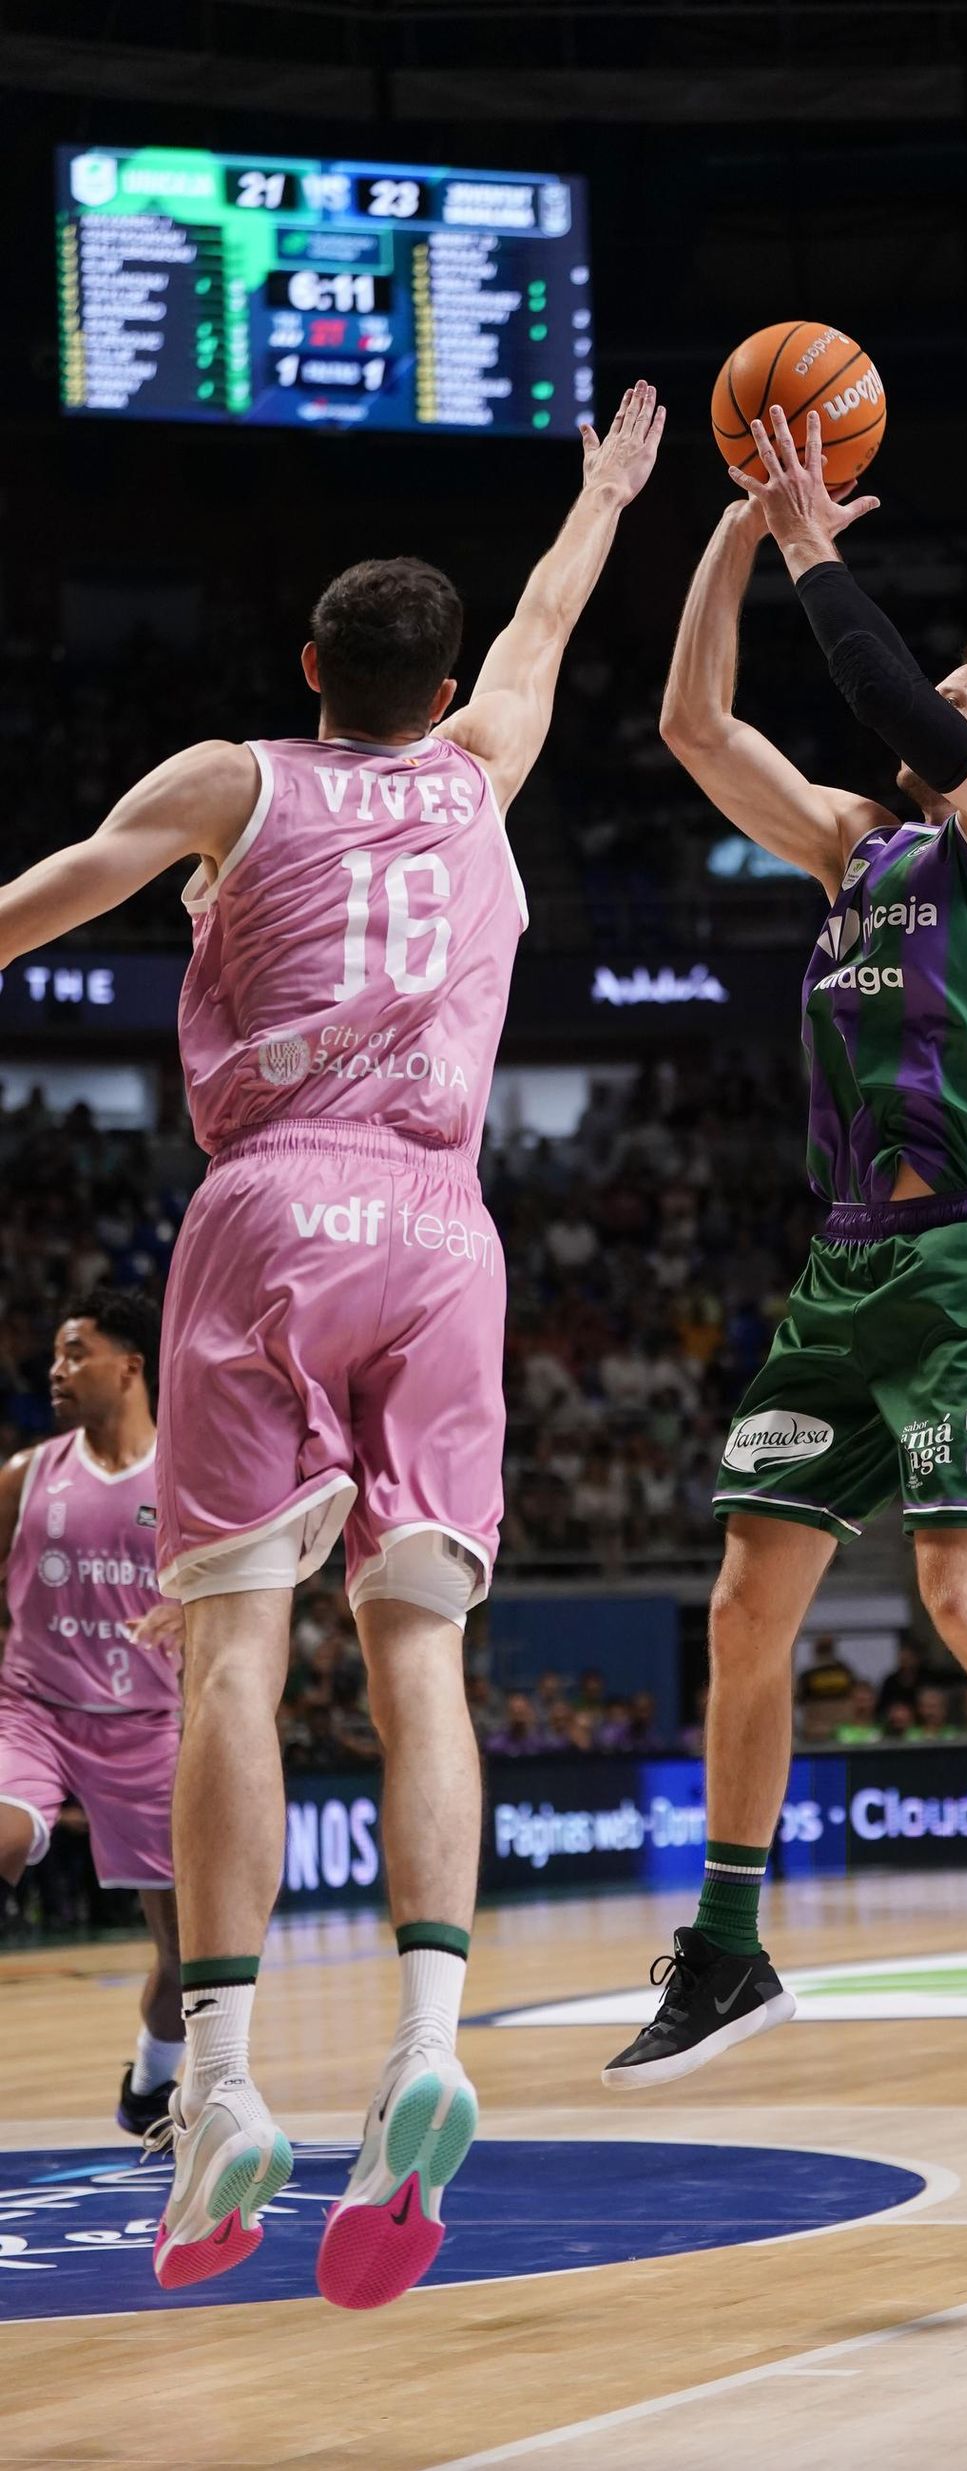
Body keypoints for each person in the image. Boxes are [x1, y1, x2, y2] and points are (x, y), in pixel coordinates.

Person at [0, 384, 664, 2304]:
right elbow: (547, 622)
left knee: (231, 1654)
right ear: (437, 686)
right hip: (446, 1230)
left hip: (273, 1210)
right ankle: (430, 2045)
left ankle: (219, 2082)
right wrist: (605, 495)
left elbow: (43, 903)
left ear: (309, 667)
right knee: (420, 1653)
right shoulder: (481, 769)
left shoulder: (233, 778)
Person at [603, 404, 967, 2113]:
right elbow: (696, 725)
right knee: (745, 1602)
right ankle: (728, 1948)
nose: (934, 713)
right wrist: (736, 536)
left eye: (964, 704)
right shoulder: (860, 847)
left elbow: (900, 704)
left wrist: (812, 544)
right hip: (845, 1266)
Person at [0, 1290, 183, 2137]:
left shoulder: (189, 1480)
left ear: (130, 1366)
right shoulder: (25, 1476)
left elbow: (247, 1594)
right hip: (33, 1709)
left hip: (148, 1726)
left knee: (190, 1954)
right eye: (55, 1355)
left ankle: (149, 2088)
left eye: (75, 1353)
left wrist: (196, 1613)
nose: (56, 1369)